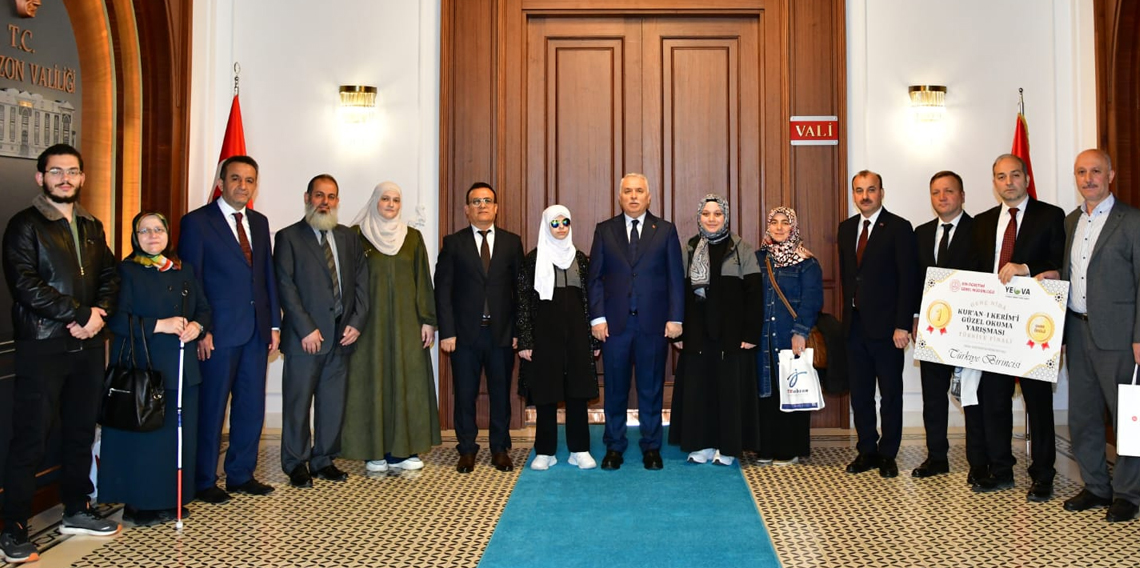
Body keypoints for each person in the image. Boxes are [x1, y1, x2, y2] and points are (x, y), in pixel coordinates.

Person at [1, 144, 121, 564]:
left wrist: (97, 314)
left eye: (72, 171)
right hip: (43, 344)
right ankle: (13, 526)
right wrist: (78, 313)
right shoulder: (24, 225)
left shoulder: (91, 225)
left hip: (88, 345)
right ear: (40, 177)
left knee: (80, 431)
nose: (65, 178)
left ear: (82, 177)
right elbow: (25, 285)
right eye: (56, 171)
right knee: (31, 437)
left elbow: (110, 275)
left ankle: (76, 509)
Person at [178, 155, 280, 504]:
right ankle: (204, 479)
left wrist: (274, 324)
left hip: (256, 331)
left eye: (249, 180)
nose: (242, 185)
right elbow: (190, 280)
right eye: (235, 178)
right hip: (216, 333)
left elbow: (266, 276)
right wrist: (201, 328)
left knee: (251, 406)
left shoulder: (260, 222)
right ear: (221, 183)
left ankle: (241, 474)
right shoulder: (197, 222)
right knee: (212, 408)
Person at [98, 212, 211, 526]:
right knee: (146, 441)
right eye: (144, 231)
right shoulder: (126, 271)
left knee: (175, 439)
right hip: (144, 369)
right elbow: (115, 320)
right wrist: (159, 325)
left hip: (182, 369)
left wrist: (198, 326)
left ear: (168, 234)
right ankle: (139, 504)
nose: (152, 236)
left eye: (158, 229)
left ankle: (169, 499)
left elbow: (204, 308)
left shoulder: (183, 269)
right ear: (136, 237)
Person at [968, 153, 1064, 501]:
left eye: (1014, 175)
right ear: (994, 182)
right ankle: (1001, 469)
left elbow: (1058, 262)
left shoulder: (1050, 216)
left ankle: (1043, 474)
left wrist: (1026, 267)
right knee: (993, 400)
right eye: (1001, 176)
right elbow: (974, 271)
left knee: (1038, 402)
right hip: (994, 326)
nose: (1008, 182)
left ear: (1026, 178)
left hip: (1033, 326)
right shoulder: (981, 222)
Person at [1058, 149, 1140, 522]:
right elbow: (1068, 274)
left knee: (1128, 417)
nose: (1088, 178)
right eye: (1081, 172)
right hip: (1077, 330)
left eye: (1095, 171)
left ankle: (1128, 493)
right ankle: (1095, 486)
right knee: (1083, 415)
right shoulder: (1071, 221)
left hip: (1121, 337)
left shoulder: (1132, 221)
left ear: (1110, 175)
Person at [275, 175, 368, 488]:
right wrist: (306, 328)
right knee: (298, 404)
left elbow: (361, 282)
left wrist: (357, 322)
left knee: (332, 404)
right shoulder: (288, 237)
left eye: (331, 196)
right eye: (319, 195)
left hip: (342, 336)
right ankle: (295, 463)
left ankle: (323, 459)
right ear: (307, 198)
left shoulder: (348, 237)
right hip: (305, 339)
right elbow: (285, 286)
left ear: (337, 201)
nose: (324, 202)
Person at [587, 173, 685, 471]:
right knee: (615, 389)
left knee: (651, 389)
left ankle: (651, 447)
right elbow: (595, 278)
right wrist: (597, 318)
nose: (633, 196)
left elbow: (675, 278)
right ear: (619, 197)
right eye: (628, 191)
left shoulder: (665, 230)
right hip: (614, 326)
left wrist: (676, 318)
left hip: (653, 325)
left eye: (639, 191)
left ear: (648, 197)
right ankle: (614, 447)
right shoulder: (605, 230)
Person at [342, 181, 441, 473]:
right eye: (385, 199)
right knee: (372, 383)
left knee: (407, 384)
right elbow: (347, 283)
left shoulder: (412, 238)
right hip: (368, 328)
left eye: (396, 200)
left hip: (407, 327)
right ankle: (374, 452)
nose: (390, 204)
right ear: (375, 201)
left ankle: (404, 450)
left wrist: (428, 320)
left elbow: (423, 280)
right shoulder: (356, 236)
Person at [435, 182, 524, 473]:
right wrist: (447, 332)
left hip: (501, 334)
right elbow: (442, 290)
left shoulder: (512, 242)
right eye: (476, 201)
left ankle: (499, 448)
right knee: (464, 394)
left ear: (496, 208)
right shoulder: (453, 243)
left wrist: (518, 332)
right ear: (467, 209)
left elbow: (520, 291)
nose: (482, 205)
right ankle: (466, 449)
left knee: (500, 394)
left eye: (487, 201)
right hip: (463, 336)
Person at [837, 169, 918, 478]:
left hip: (888, 329)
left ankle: (888, 454)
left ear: (881, 193)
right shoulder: (846, 229)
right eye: (859, 190)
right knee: (860, 394)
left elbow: (908, 279)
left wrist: (902, 324)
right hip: (854, 326)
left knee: (890, 394)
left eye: (871, 189)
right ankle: (867, 450)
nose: (865, 196)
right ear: (853, 195)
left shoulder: (898, 227)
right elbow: (848, 277)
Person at [669, 195, 762, 466]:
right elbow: (678, 293)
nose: (712, 219)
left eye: (717, 214)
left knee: (729, 393)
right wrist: (679, 331)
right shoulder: (689, 249)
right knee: (699, 391)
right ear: (699, 217)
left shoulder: (742, 249)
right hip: (697, 336)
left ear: (726, 217)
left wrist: (750, 334)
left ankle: (728, 448)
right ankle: (701, 445)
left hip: (732, 338)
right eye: (706, 214)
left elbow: (754, 295)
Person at [517, 205, 599, 471]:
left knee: (578, 392)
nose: (561, 227)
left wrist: (594, 340)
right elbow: (523, 301)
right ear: (546, 225)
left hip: (577, 336)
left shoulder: (580, 259)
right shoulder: (533, 259)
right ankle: (545, 451)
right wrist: (525, 340)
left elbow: (591, 300)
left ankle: (579, 449)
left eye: (565, 222)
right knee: (546, 393)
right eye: (555, 223)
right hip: (544, 337)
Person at [911, 171, 981, 480]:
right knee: (934, 397)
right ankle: (937, 457)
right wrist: (915, 317)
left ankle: (978, 460)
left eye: (949, 191)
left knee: (972, 396)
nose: (942, 197)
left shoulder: (980, 230)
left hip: (969, 328)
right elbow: (915, 280)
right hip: (933, 327)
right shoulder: (921, 233)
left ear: (962, 195)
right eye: (936, 192)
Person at [756, 206, 822, 465]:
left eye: (785, 222)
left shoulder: (806, 262)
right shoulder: (759, 259)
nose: (779, 227)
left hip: (790, 337)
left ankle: (789, 449)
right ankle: (765, 448)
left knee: (791, 391)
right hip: (763, 338)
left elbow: (812, 300)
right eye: (774, 222)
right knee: (766, 392)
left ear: (793, 227)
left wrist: (800, 332)